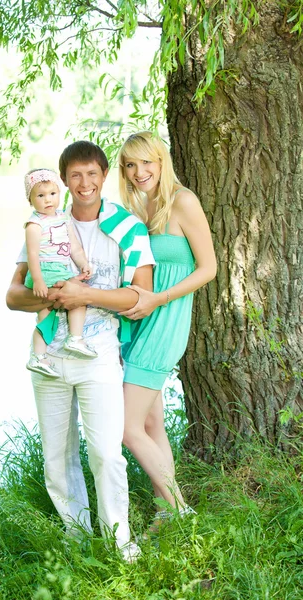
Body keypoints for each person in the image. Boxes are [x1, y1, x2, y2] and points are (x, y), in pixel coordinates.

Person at [6, 141, 155, 560]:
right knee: (57, 457)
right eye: (75, 175)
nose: (84, 183)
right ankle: (76, 537)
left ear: (105, 176)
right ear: (62, 181)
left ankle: (119, 541)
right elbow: (13, 297)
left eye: (92, 173)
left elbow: (140, 298)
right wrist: (55, 298)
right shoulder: (45, 222)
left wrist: (83, 294)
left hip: (99, 354)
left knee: (107, 453)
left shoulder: (127, 228)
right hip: (50, 357)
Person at [117, 131, 217, 530]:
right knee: (151, 424)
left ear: (162, 161)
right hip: (141, 325)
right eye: (130, 165)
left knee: (127, 429)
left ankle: (178, 508)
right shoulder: (140, 208)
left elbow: (208, 268)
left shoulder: (183, 201)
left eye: (146, 162)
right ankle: (165, 514)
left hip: (166, 322)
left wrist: (160, 299)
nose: (139, 172)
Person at [23, 167, 97, 378]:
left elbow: (73, 246)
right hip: (45, 272)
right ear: (31, 199)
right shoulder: (34, 225)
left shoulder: (63, 218)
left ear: (59, 193)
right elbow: (32, 255)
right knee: (79, 296)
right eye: (41, 195)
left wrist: (83, 263)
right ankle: (75, 337)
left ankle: (37, 356)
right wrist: (37, 280)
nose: (48, 200)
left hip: (59, 270)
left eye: (52, 194)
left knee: (46, 316)